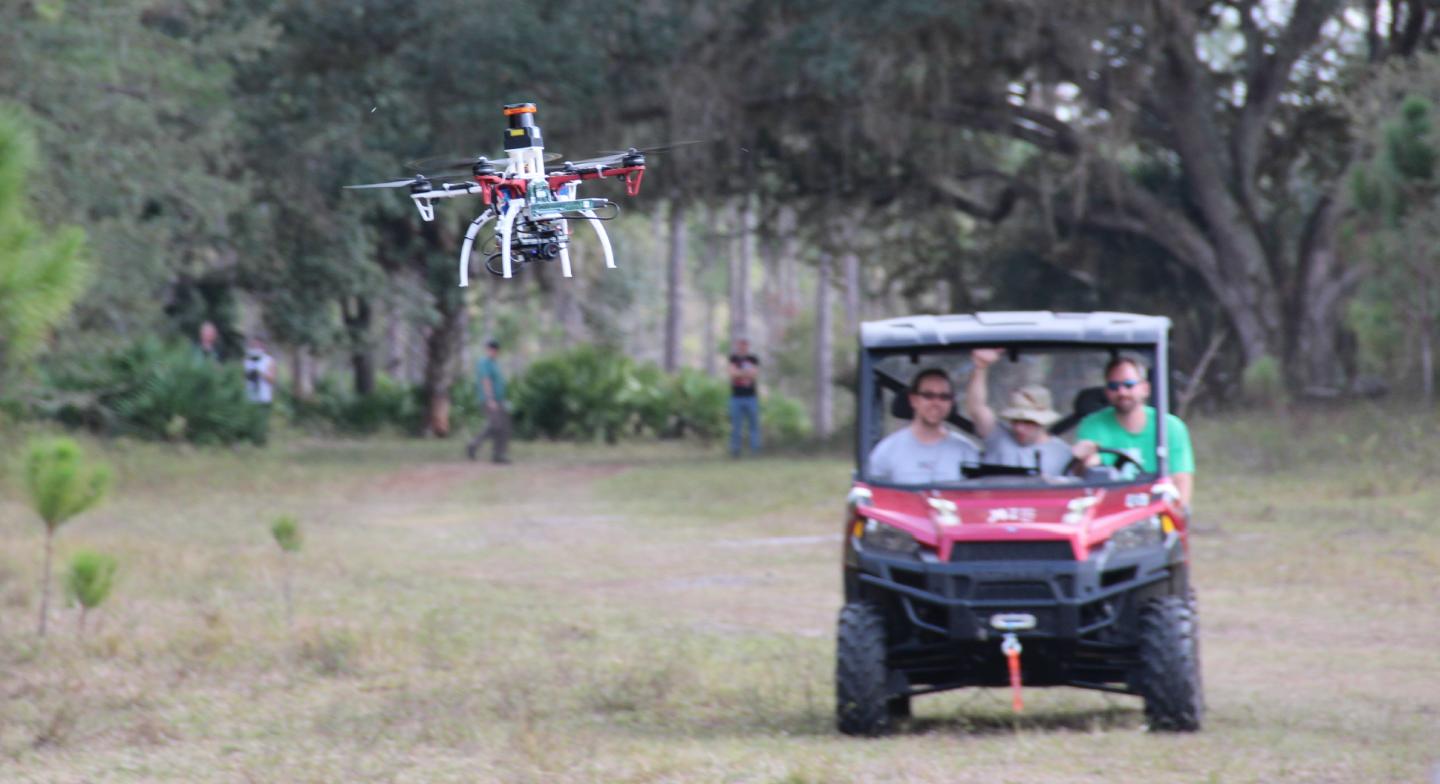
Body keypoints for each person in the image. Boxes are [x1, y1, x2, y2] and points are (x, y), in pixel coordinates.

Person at [1071, 355, 1195, 505]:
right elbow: (1084, 479)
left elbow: (1181, 482)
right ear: (1106, 392)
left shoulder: (1171, 427)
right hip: (1108, 510)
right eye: (1114, 387)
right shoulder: (1092, 426)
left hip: (1153, 510)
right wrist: (1083, 462)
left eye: (1129, 385)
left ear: (1145, 388)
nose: (1122, 392)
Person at [964, 348, 1072, 476]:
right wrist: (980, 368)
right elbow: (976, 407)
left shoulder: (1062, 453)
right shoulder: (998, 437)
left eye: (1027, 422)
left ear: (1042, 422)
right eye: (1015, 421)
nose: (1019, 428)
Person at [867, 368, 980, 484]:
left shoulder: (966, 451)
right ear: (913, 400)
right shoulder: (886, 450)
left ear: (951, 403)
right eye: (928, 395)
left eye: (944, 397)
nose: (936, 403)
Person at [466, 339, 511, 464]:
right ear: (488, 350)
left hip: (500, 400)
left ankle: (498, 454)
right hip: (490, 400)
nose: (493, 352)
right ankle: (481, 448)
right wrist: (490, 399)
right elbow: (486, 381)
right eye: (491, 349)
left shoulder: (495, 363)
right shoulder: (484, 363)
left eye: (495, 350)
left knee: (503, 427)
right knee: (496, 425)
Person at [727, 337, 761, 457]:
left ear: (748, 345)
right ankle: (735, 451)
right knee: (736, 426)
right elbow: (732, 374)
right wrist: (745, 373)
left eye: (745, 344)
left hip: (751, 397)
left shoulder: (753, 359)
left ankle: (755, 451)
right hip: (736, 397)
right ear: (737, 345)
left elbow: (754, 374)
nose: (743, 346)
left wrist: (739, 373)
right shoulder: (733, 358)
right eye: (741, 344)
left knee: (753, 425)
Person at [243, 336, 277, 442]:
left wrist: (260, 372)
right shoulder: (247, 361)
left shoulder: (269, 360)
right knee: (250, 422)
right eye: (254, 345)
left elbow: (272, 380)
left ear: (263, 347)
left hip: (264, 398)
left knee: (262, 424)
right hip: (250, 397)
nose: (256, 347)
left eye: (258, 345)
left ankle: (261, 441)